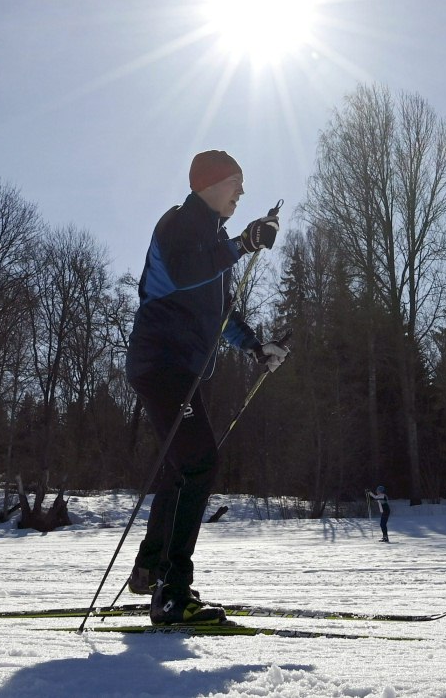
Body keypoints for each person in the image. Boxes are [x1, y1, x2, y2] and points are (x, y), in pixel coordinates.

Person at [123, 150, 288, 625]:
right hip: (163, 363)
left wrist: (257, 348)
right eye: (237, 182)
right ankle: (174, 595)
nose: (241, 192)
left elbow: (217, 314)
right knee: (199, 462)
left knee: (183, 467)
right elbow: (181, 273)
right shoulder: (178, 223)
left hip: (179, 367)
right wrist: (243, 242)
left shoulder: (213, 240)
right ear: (211, 183)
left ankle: (151, 571)